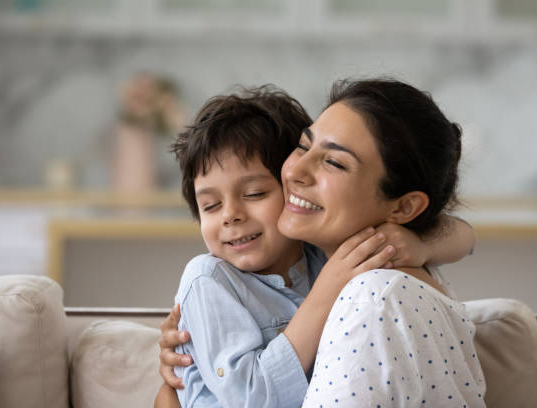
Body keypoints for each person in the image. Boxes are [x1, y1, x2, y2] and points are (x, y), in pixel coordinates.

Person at [155, 83, 477, 407]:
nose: (230, 216)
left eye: (254, 194)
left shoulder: (345, 268)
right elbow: (249, 398)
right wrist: (327, 290)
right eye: (210, 206)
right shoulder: (211, 278)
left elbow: (461, 234)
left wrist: (422, 245)